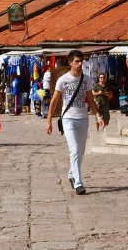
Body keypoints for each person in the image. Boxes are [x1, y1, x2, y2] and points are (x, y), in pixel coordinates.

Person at [46, 49, 105, 195]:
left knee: (81, 151)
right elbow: (53, 102)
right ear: (70, 62)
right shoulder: (63, 80)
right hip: (68, 119)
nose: (79, 64)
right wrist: (49, 122)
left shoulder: (87, 79)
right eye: (77, 61)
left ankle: (72, 174)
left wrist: (98, 116)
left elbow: (91, 101)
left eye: (81, 61)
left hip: (83, 118)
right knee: (73, 149)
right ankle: (78, 184)